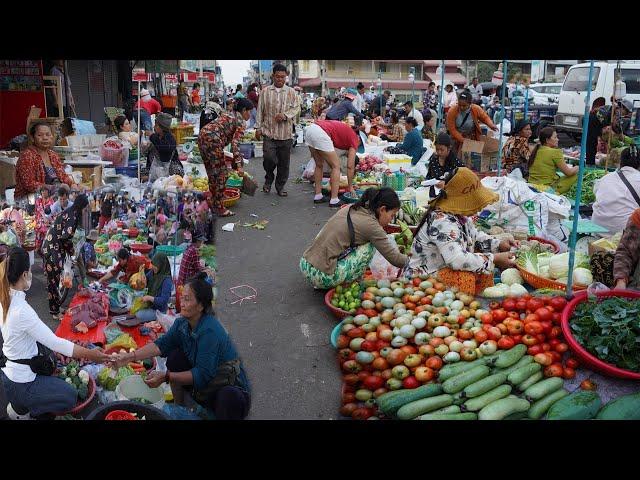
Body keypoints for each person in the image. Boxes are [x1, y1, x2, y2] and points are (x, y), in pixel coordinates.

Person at [108, 272, 251, 420]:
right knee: (175, 357)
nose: (181, 302)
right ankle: (180, 407)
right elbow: (161, 345)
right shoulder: (182, 323)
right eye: (182, 297)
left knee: (228, 397)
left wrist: (166, 377)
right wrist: (129, 357)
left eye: (187, 299)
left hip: (227, 386)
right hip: (206, 381)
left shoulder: (210, 331)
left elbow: (202, 375)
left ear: (201, 305)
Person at [0, 247, 110, 420]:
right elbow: (56, 343)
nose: (30, 276)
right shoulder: (21, 310)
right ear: (24, 275)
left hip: (12, 373)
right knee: (70, 396)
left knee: (47, 358)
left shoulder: (5, 296)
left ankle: (21, 405)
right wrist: (92, 354)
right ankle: (28, 409)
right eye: (29, 272)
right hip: (21, 383)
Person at [403, 167, 516, 295]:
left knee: (483, 270)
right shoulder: (442, 221)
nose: (478, 209)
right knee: (464, 278)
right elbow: (457, 259)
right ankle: (458, 311)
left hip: (441, 270)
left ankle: (479, 303)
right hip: (421, 281)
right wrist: (494, 258)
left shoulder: (459, 216)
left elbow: (475, 237)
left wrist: (498, 244)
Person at [300, 188, 409, 289]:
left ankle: (328, 277)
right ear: (382, 209)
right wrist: (413, 261)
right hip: (322, 276)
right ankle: (353, 283)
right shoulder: (372, 226)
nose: (391, 219)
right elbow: (395, 259)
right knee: (370, 246)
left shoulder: (352, 207)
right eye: (392, 215)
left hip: (306, 264)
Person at [198, 98, 253, 217]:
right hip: (213, 140)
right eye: (250, 111)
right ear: (244, 110)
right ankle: (219, 207)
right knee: (222, 174)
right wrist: (239, 165)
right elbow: (235, 144)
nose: (250, 114)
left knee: (212, 172)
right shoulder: (240, 121)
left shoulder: (228, 113)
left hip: (202, 136)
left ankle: (214, 202)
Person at [255, 64, 301, 197]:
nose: (280, 79)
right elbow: (260, 111)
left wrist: (285, 115)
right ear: (273, 76)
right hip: (269, 132)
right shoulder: (265, 92)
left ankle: (280, 186)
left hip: (285, 135)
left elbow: (296, 108)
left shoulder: (291, 92)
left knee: (284, 164)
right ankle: (269, 178)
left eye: (283, 77)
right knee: (269, 159)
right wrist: (258, 128)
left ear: (286, 77)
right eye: (277, 76)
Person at [41, 194, 89, 319]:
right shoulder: (73, 215)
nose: (85, 211)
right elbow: (65, 237)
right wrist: (72, 251)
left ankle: (56, 308)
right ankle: (55, 313)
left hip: (53, 247)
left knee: (55, 281)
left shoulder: (71, 212)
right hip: (53, 250)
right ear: (81, 206)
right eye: (85, 208)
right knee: (53, 282)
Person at [304, 119, 361, 207]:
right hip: (320, 132)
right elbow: (350, 166)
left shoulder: (346, 133)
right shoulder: (355, 140)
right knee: (336, 166)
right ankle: (334, 200)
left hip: (310, 129)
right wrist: (350, 186)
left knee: (319, 164)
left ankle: (318, 196)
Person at [14, 122, 74, 200]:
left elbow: (63, 176)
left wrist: (73, 185)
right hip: (29, 200)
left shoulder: (53, 155)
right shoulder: (27, 156)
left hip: (52, 196)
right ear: (32, 138)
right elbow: (29, 184)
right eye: (40, 135)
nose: (45, 138)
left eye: (48, 134)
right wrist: (52, 188)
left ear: (52, 137)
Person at [592, 146, 640, 235]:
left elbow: (596, 194)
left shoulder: (605, 178)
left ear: (621, 162)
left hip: (597, 229)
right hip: (623, 234)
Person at [527, 127, 578, 194]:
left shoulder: (536, 149)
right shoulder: (555, 152)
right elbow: (568, 173)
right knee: (576, 176)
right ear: (547, 140)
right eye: (555, 137)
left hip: (531, 185)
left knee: (560, 176)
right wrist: (577, 167)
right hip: (546, 188)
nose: (558, 139)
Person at [446, 90, 498, 154]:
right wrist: (463, 140)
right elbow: (452, 129)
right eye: (459, 105)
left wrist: (491, 125)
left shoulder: (476, 109)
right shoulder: (452, 111)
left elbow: (485, 118)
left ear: (470, 104)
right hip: (456, 139)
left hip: (471, 138)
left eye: (464, 105)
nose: (461, 107)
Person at [586, 99, 633, 166]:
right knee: (592, 143)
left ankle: (590, 162)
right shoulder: (615, 110)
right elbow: (615, 125)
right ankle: (590, 164)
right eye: (626, 112)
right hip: (592, 122)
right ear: (623, 108)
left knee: (593, 143)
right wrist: (620, 136)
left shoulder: (615, 110)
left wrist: (620, 135)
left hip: (597, 123)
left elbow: (616, 126)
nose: (625, 114)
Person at [134, 251, 174, 323]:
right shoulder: (153, 272)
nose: (153, 267)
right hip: (150, 305)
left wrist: (149, 298)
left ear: (162, 265)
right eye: (153, 264)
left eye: (156, 265)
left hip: (159, 311)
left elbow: (163, 301)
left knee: (137, 315)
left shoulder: (167, 280)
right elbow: (145, 280)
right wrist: (141, 273)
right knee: (133, 309)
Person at [146, 112, 183, 181]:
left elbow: (163, 148)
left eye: (156, 126)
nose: (154, 127)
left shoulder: (170, 139)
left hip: (170, 171)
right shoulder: (157, 137)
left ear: (162, 128)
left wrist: (152, 136)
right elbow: (149, 158)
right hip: (157, 170)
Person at [425, 133, 465, 197]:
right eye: (437, 149)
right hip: (434, 194)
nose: (439, 152)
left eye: (442, 150)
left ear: (448, 149)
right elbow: (428, 176)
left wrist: (446, 184)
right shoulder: (433, 160)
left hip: (451, 196)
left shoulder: (456, 163)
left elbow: (464, 179)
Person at [35, 186, 54, 251]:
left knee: (47, 244)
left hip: (47, 225)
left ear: (48, 192)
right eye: (42, 191)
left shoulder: (51, 201)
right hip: (39, 225)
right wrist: (44, 217)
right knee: (38, 246)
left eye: (45, 191)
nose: (44, 193)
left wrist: (50, 220)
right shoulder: (38, 200)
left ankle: (46, 257)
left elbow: (52, 212)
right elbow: (39, 209)